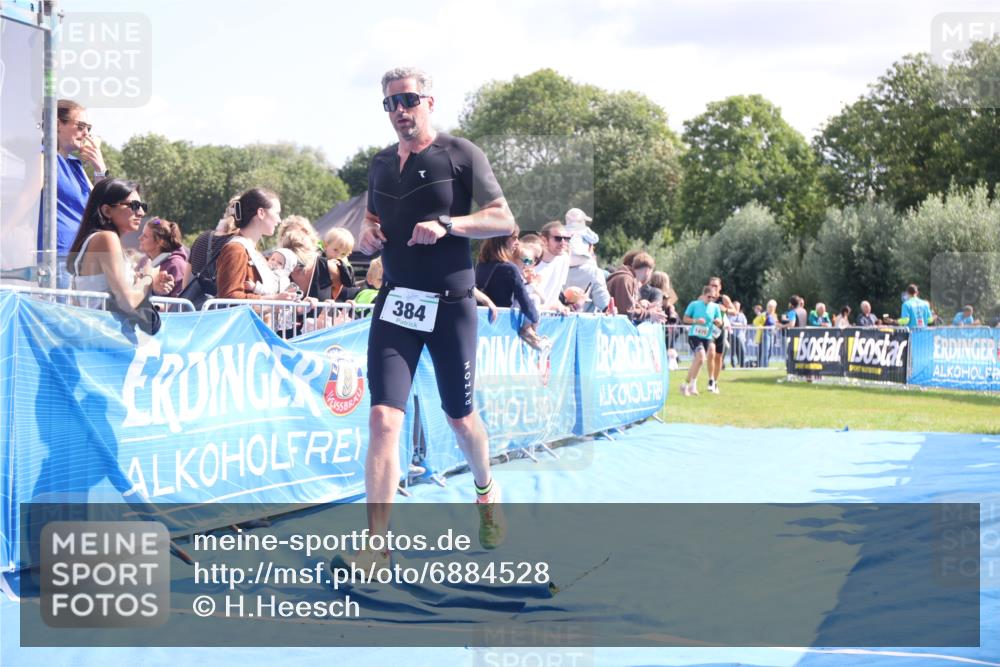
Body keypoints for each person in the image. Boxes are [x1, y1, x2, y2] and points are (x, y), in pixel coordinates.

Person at [353, 66, 515, 571]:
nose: (399, 111)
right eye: (389, 104)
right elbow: (374, 219)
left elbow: (503, 218)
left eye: (407, 100)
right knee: (382, 419)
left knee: (460, 419)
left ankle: (486, 495)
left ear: (429, 102)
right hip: (398, 303)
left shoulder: (460, 153)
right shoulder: (380, 164)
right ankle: (376, 544)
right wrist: (368, 235)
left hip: (451, 306)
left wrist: (448, 224)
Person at [65, 178, 173, 312]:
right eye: (134, 205)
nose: (141, 213)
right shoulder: (106, 238)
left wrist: (148, 283)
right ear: (107, 211)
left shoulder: (103, 239)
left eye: (142, 206)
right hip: (102, 329)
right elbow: (128, 303)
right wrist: (149, 276)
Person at [39, 99, 110, 288]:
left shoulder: (75, 164)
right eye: (80, 126)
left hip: (80, 255)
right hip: (58, 254)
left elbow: (102, 204)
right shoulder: (43, 157)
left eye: (88, 127)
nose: (86, 133)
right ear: (57, 124)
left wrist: (99, 168)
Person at [214, 187, 295, 302]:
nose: (279, 220)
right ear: (261, 213)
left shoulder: (251, 251)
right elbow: (229, 298)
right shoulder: (236, 250)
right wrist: (273, 300)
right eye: (276, 213)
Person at [475, 225, 546, 350]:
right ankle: (529, 332)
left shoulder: (481, 264)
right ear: (502, 240)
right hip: (502, 320)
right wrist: (535, 319)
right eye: (514, 238)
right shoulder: (510, 268)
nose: (517, 243)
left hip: (485, 317)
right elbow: (524, 299)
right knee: (534, 298)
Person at [564, 208, 611, 312]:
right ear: (590, 247)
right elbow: (603, 303)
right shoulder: (594, 272)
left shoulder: (556, 268)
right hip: (583, 323)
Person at [680, 285, 723, 396]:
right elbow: (685, 319)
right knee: (701, 357)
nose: (711, 299)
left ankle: (685, 385)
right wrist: (696, 321)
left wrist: (718, 321)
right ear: (703, 295)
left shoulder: (715, 307)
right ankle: (692, 386)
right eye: (709, 297)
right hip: (695, 335)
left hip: (708, 336)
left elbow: (720, 321)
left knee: (698, 361)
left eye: (713, 297)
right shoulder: (694, 304)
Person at [606, 252, 666, 324]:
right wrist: (649, 314)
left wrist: (646, 308)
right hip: (614, 328)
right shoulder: (626, 279)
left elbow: (628, 307)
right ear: (647, 271)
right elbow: (626, 312)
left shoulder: (627, 278)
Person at [136, 218, 188, 298]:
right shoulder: (144, 261)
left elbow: (177, 306)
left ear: (160, 242)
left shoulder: (177, 266)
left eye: (145, 236)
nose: (139, 238)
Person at [534, 221, 572, 311]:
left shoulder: (564, 259)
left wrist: (561, 306)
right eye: (558, 238)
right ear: (543, 240)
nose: (563, 242)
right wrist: (550, 307)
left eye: (566, 238)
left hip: (549, 319)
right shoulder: (530, 261)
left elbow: (554, 294)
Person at [706, 276, 734, 394]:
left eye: (716, 286)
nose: (713, 287)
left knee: (718, 357)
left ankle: (715, 382)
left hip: (721, 329)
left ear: (720, 287)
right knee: (711, 352)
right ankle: (711, 379)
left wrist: (725, 310)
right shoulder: (705, 297)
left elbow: (734, 311)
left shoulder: (723, 298)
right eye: (711, 285)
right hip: (708, 329)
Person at [324, 227, 358, 301]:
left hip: (340, 303)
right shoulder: (318, 261)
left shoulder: (347, 267)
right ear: (326, 245)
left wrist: (343, 268)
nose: (337, 256)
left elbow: (350, 285)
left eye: (343, 254)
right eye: (335, 250)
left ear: (348, 254)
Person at [728, 300, 747, 368]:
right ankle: (734, 365)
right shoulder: (729, 315)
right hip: (731, 335)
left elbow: (744, 324)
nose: (736, 308)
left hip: (740, 335)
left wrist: (735, 324)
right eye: (735, 306)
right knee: (732, 351)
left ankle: (742, 364)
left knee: (742, 350)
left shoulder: (742, 315)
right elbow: (729, 323)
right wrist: (739, 324)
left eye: (738, 306)